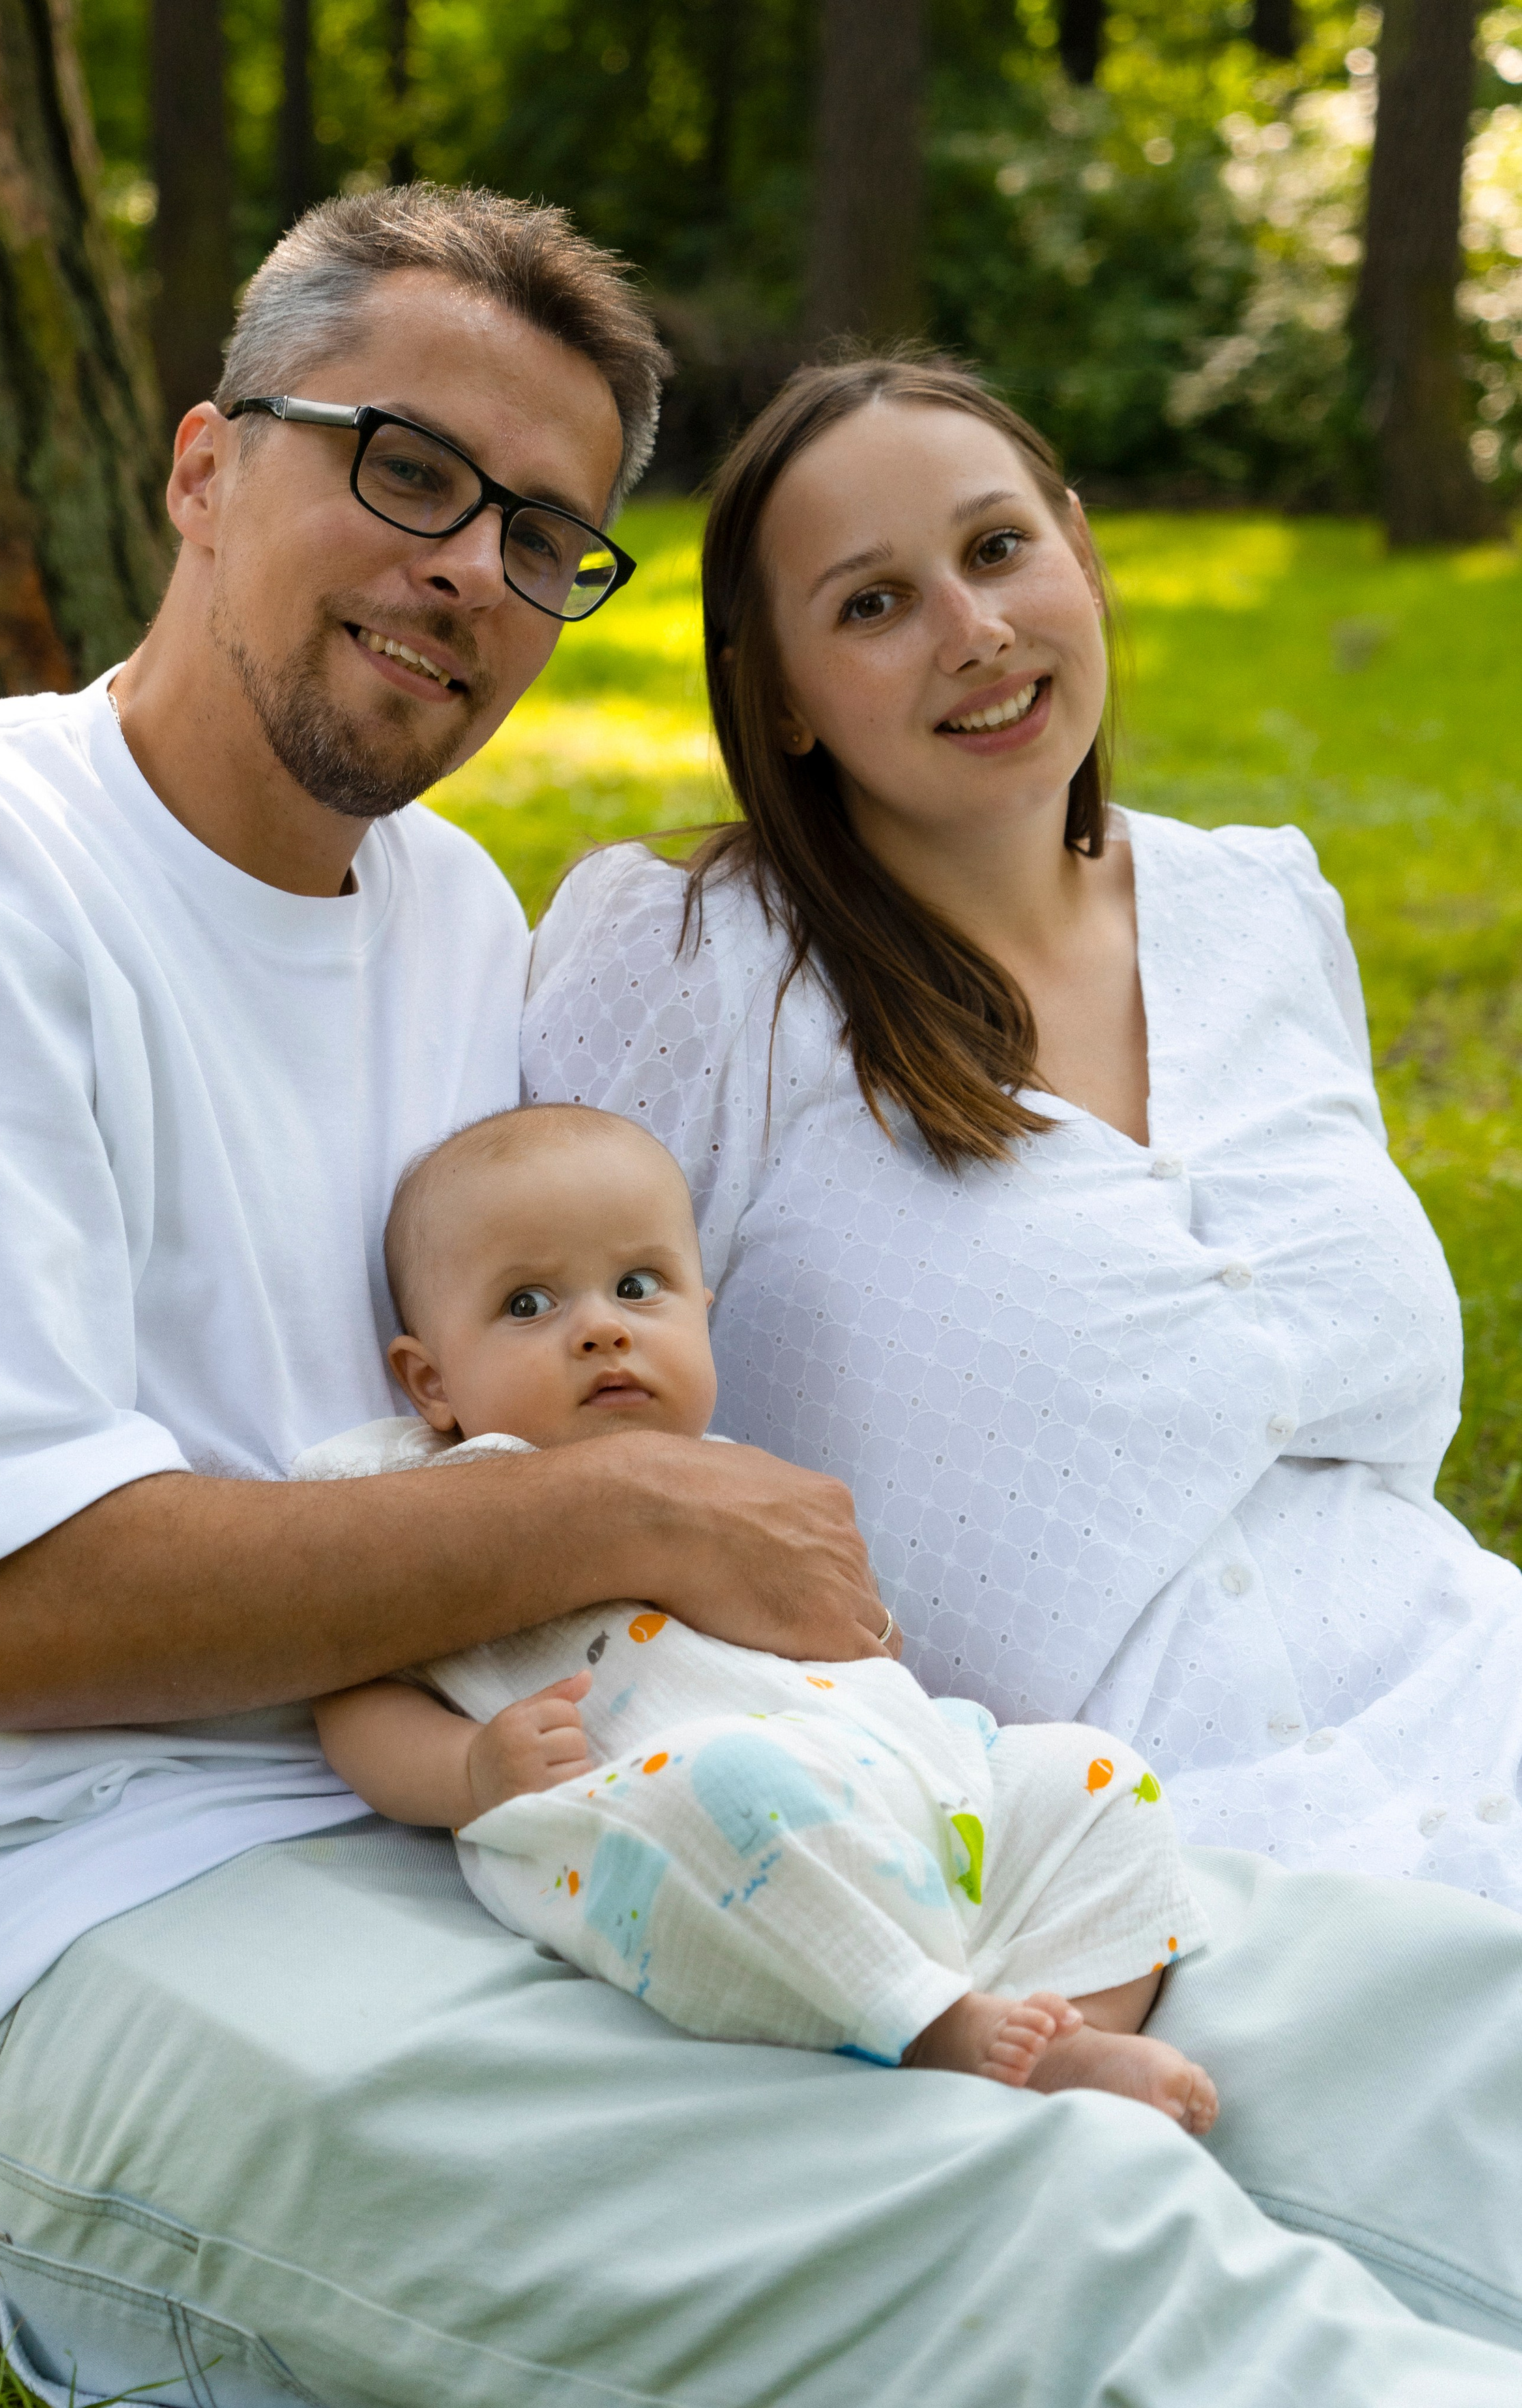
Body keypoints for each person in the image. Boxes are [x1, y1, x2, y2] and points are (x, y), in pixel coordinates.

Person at [0, 195, 1522, 2404]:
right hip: (76, 1914)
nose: (466, 569)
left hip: (552, 1801)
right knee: (1036, 2225)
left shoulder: (445, 919)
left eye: (540, 536)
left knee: (1376, 2027)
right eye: (408, 469)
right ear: (207, 468)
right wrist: (626, 1514)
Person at [524, 353, 1522, 1914]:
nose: (973, 630)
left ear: (1079, 549)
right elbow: (524, 1420)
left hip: (1474, 1702)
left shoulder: (1257, 904)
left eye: (997, 549)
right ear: (774, 694)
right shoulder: (692, 970)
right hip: (1115, 1877)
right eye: (872, 603)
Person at [306, 1101, 1218, 2128]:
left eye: (638, 1287)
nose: (602, 1327)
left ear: (702, 1313)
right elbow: (354, 1692)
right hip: (673, 1810)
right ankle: (938, 2029)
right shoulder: (428, 1497)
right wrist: (469, 1772)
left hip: (908, 1789)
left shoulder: (741, 1476)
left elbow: (853, 1636)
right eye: (528, 1303)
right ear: (431, 1380)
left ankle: (1072, 2029)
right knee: (732, 1789)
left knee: (1093, 1777)